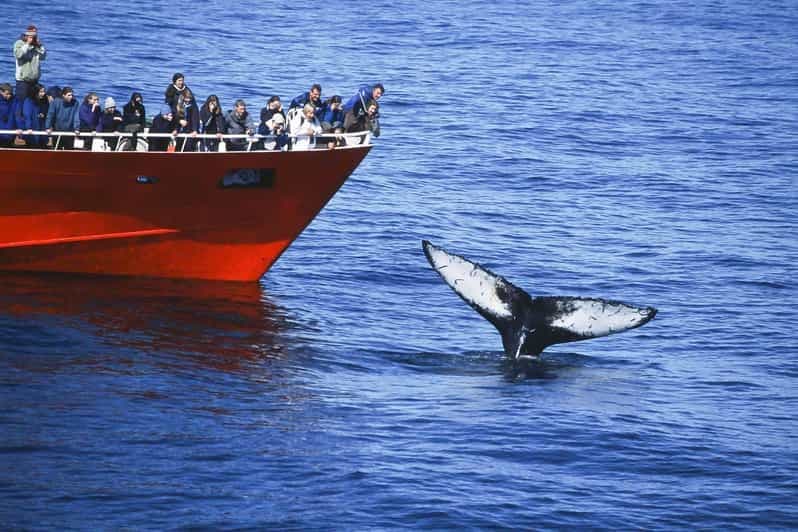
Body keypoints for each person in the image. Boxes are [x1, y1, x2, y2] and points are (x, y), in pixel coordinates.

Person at [12, 25, 46, 120]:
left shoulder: (36, 45)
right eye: (31, 33)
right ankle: (18, 126)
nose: (33, 35)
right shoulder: (19, 43)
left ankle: (31, 124)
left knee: (33, 103)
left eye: (35, 33)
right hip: (22, 80)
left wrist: (40, 46)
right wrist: (27, 44)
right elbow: (18, 55)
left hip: (34, 80)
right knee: (21, 103)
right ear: (26, 34)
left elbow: (43, 57)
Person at [20, 83, 49, 147]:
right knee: (32, 144)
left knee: (43, 143)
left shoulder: (45, 100)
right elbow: (27, 115)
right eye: (41, 92)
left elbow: (47, 112)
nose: (43, 93)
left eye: (44, 91)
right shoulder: (29, 101)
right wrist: (29, 127)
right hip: (32, 127)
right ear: (35, 92)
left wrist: (43, 114)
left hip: (42, 127)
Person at [0, 83, 21, 148]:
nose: (9, 96)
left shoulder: (16, 100)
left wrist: (20, 128)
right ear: (1, 92)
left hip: (11, 130)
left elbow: (17, 115)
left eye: (10, 94)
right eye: (7, 94)